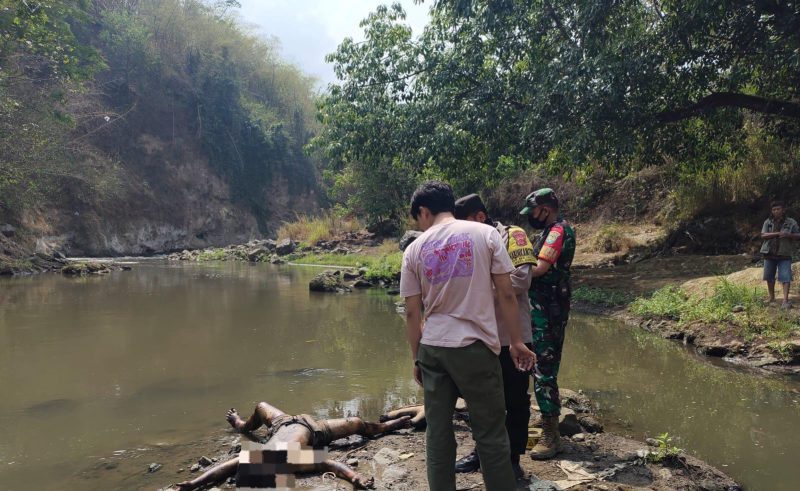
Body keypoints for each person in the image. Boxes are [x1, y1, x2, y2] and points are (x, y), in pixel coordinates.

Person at [400, 180, 535, 491]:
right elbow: (507, 293)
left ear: (423, 211)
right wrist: (516, 342)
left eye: (417, 217)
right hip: (474, 348)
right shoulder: (485, 234)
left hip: (433, 348)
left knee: (437, 433)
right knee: (490, 432)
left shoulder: (415, 249)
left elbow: (411, 313)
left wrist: (416, 358)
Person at [452, 193, 537, 480]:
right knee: (480, 400)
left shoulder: (514, 236)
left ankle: (513, 458)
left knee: (515, 400)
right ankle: (482, 452)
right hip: (478, 337)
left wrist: (475, 288)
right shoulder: (464, 243)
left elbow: (520, 281)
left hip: (513, 336)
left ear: (479, 216)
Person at [174, 402, 412, 490]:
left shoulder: (262, 458)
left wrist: (195, 482)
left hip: (283, 422)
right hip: (316, 430)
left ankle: (240, 424)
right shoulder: (292, 462)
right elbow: (329, 462)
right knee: (358, 424)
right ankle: (390, 426)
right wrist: (356, 477)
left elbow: (224, 468)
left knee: (260, 406)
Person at [519, 188, 575, 460]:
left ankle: (552, 435)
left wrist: (510, 278)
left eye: (533, 212)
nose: (531, 217)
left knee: (544, 369)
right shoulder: (547, 231)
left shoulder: (557, 231)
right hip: (541, 310)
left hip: (549, 311)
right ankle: (546, 417)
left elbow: (539, 268)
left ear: (545, 209)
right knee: (540, 365)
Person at [760, 200, 800, 308]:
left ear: (783, 210)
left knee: (785, 277)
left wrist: (789, 235)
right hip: (769, 252)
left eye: (778, 209)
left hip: (784, 253)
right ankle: (771, 298)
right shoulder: (768, 222)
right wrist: (778, 233)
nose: (776, 211)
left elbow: (798, 235)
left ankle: (785, 301)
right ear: (771, 211)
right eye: (774, 209)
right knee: (769, 277)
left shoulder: (791, 222)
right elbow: (763, 235)